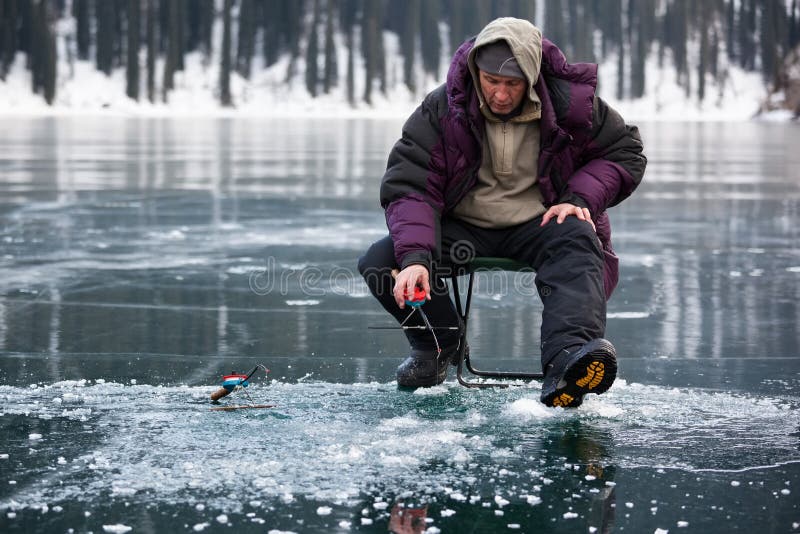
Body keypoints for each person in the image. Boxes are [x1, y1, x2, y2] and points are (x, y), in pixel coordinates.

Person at [358, 17, 646, 407]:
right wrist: (415, 258)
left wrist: (579, 199)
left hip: (543, 220)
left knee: (579, 239)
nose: (499, 93)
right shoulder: (442, 108)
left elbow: (624, 151)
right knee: (382, 260)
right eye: (491, 81)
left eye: (511, 84)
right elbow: (410, 185)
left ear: (531, 76)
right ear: (476, 71)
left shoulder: (572, 105)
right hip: (462, 226)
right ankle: (437, 347)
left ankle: (568, 365)